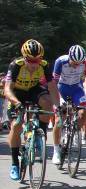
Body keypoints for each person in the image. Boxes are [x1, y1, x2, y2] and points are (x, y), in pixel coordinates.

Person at [4, 40, 59, 180]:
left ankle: (40, 136)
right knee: (16, 125)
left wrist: (57, 106)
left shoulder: (44, 65)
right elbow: (7, 89)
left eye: (38, 60)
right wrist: (16, 103)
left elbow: (52, 87)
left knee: (47, 102)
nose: (35, 64)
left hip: (33, 90)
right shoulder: (16, 65)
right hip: (17, 93)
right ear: (24, 57)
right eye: (31, 60)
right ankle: (15, 164)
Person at [51, 44, 86, 165]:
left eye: (79, 63)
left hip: (76, 89)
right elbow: (53, 83)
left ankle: (75, 132)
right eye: (74, 63)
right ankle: (56, 150)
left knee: (85, 111)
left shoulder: (85, 62)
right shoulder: (60, 61)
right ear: (69, 57)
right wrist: (58, 101)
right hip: (61, 89)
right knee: (59, 119)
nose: (76, 66)